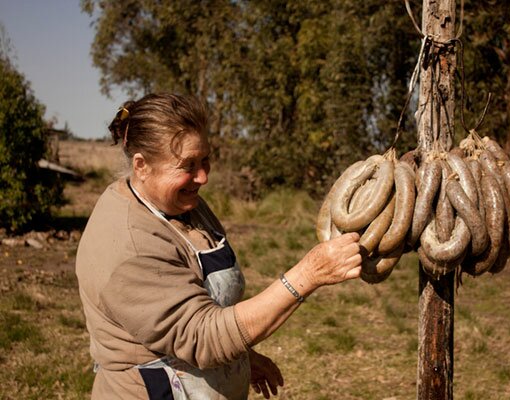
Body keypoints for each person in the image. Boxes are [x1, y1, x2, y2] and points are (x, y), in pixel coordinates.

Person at [76, 93, 362, 400]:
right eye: (187, 165)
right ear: (142, 166)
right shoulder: (128, 245)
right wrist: (308, 275)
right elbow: (202, 337)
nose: (203, 176)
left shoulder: (183, 203)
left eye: (205, 159)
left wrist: (243, 356)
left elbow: (202, 304)